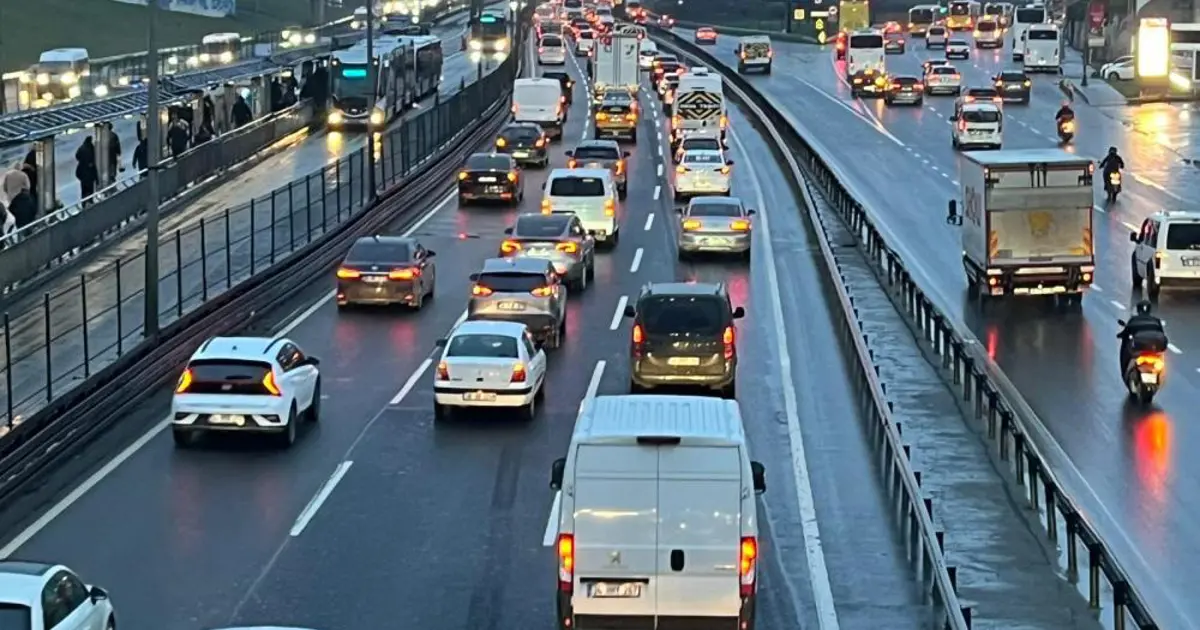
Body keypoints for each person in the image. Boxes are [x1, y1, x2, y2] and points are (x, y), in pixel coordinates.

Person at [1117, 300, 1167, 373]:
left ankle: (1125, 370)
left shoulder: (1134, 319)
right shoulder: (1156, 320)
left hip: (1141, 350)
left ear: (1138, 309)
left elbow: (1125, 332)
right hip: (1154, 350)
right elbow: (1162, 334)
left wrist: (1120, 335)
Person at [75, 137, 99, 205]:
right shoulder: (91, 148)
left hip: (83, 177)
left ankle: (84, 203)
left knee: (84, 190)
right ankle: (90, 201)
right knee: (90, 190)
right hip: (90, 176)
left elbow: (77, 156)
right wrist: (97, 179)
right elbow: (94, 166)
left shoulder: (81, 148)